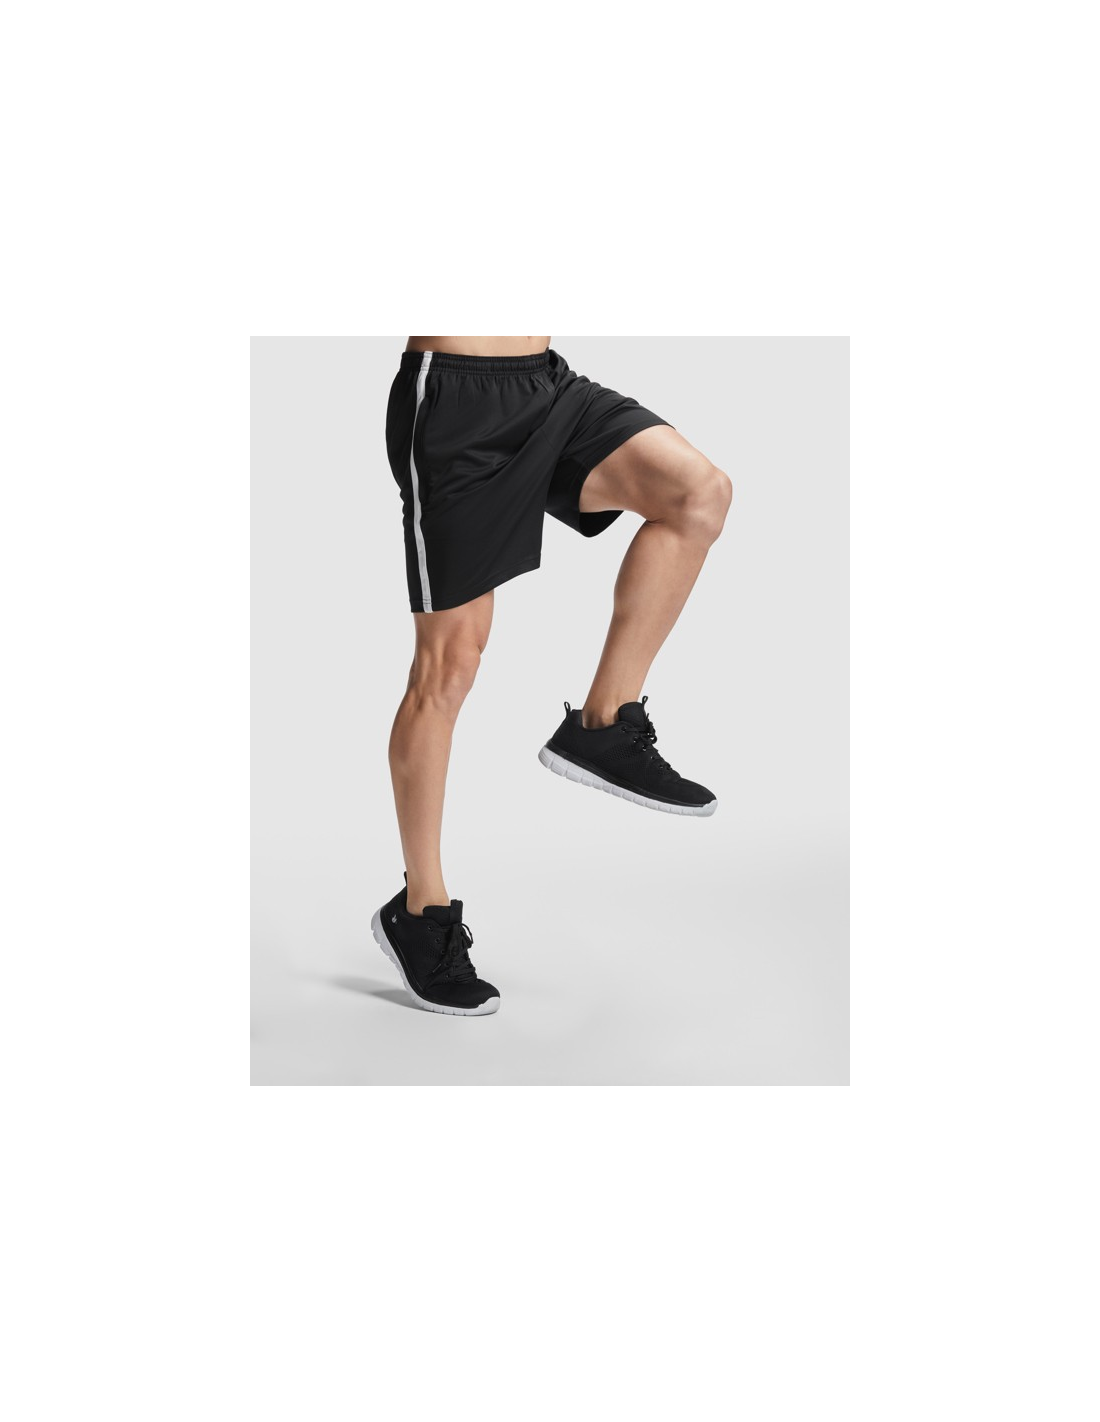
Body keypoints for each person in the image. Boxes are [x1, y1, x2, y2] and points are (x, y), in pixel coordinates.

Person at [371, 337, 732, 1015]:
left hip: (544, 388)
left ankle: (603, 723)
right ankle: (420, 911)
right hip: (452, 408)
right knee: (450, 665)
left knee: (697, 493)